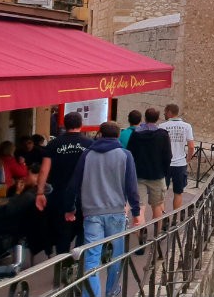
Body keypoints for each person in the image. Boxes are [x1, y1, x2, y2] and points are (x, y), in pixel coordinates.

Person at [63, 121, 142, 297]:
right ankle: (112, 292)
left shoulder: (87, 155)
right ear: (117, 136)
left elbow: (73, 184)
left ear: (99, 134)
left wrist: (70, 208)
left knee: (91, 257)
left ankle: (91, 294)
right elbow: (131, 187)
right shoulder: (125, 155)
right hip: (116, 212)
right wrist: (136, 212)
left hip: (92, 212)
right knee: (116, 255)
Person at [36, 111, 92, 255]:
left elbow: (44, 170)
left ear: (63, 125)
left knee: (62, 233)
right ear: (81, 124)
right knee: (84, 230)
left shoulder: (54, 144)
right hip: (84, 194)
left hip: (59, 194)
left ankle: (63, 265)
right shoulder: (90, 144)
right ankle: (79, 262)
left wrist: (40, 192)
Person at [126, 107, 172, 221]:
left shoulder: (136, 134)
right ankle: (157, 235)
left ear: (145, 118)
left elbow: (129, 154)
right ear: (157, 119)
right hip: (157, 175)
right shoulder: (163, 135)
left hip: (139, 175)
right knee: (157, 206)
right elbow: (167, 156)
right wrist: (164, 172)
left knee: (139, 208)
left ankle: (140, 234)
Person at [161, 104, 195, 211]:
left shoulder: (162, 126)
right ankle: (175, 217)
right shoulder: (187, 126)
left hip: (165, 164)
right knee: (178, 192)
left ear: (170, 112)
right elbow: (191, 146)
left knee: (162, 193)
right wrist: (187, 159)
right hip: (180, 164)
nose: (164, 114)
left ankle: (162, 218)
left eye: (165, 112)